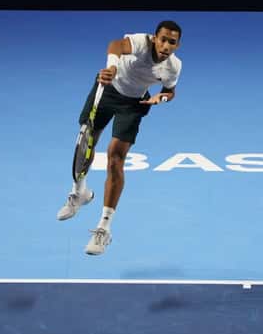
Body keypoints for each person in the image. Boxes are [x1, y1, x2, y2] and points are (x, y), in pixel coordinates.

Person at [57, 20, 183, 255]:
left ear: (177, 45)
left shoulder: (174, 66)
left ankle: (104, 227)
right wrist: (112, 67)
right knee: (88, 140)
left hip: (134, 103)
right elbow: (115, 45)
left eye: (172, 42)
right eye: (163, 39)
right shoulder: (140, 43)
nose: (166, 45)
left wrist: (161, 99)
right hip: (107, 89)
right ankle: (80, 192)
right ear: (154, 38)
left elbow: (170, 91)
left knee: (116, 158)